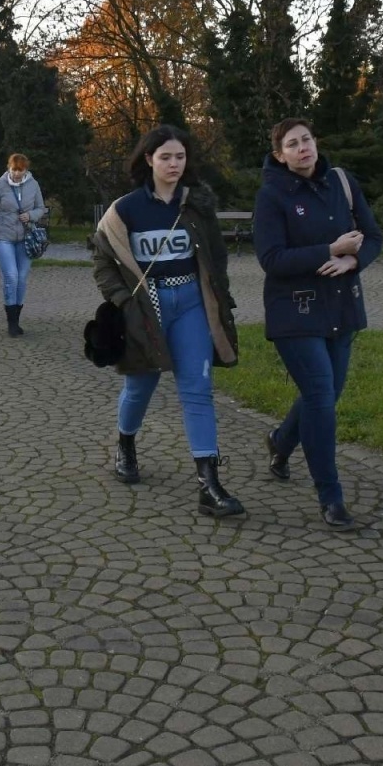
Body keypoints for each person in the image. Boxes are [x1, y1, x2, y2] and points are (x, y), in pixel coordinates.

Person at [91, 125, 242, 516]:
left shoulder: (196, 204)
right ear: (148, 160)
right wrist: (122, 301)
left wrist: (219, 297)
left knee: (197, 388)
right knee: (141, 385)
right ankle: (125, 442)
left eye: (180, 157)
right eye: (165, 157)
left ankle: (208, 483)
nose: (174, 164)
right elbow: (103, 260)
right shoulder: (125, 209)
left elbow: (216, 255)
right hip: (147, 308)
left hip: (191, 303)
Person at [253, 118, 383, 530]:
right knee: (322, 396)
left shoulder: (342, 182)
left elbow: (374, 237)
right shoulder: (272, 195)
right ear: (280, 155)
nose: (303, 148)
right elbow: (271, 259)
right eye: (292, 144)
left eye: (307, 139)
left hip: (341, 307)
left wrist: (352, 259)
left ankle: (281, 441)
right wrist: (329, 248)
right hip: (295, 311)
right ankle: (332, 498)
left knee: (324, 393)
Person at [0, 153, 48, 336]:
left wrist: (31, 215)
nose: (17, 173)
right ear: (9, 167)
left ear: (26, 169)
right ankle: (11, 322)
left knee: (22, 277)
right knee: (11, 276)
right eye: (14, 169)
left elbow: (41, 208)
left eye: (21, 170)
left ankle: (16, 318)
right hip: (2, 236)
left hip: (24, 237)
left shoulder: (33, 185)